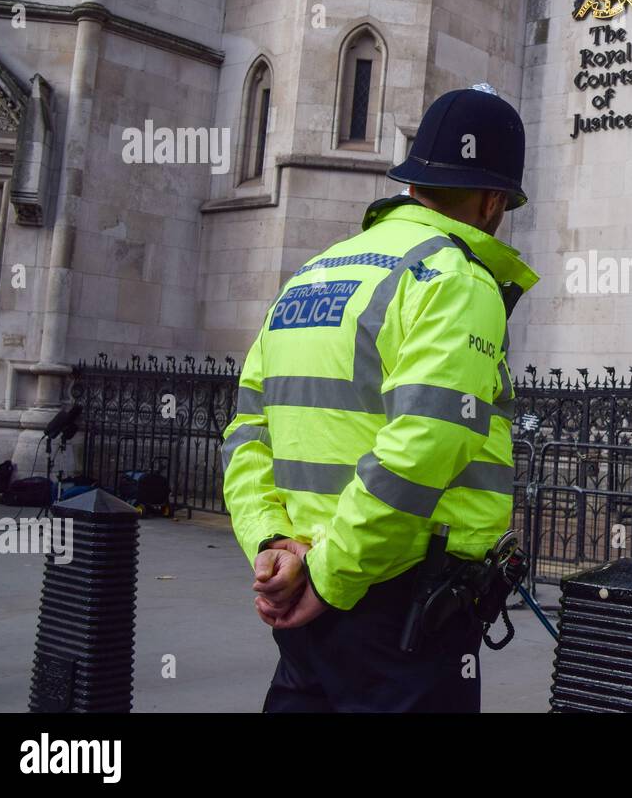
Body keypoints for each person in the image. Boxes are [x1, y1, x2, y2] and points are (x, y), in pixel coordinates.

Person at [221, 85, 538, 712]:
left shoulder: (313, 274)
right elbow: (423, 448)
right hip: (399, 612)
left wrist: (272, 546)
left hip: (303, 592)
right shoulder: (455, 278)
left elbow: (247, 434)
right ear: (495, 200)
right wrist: (333, 577)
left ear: (413, 182)